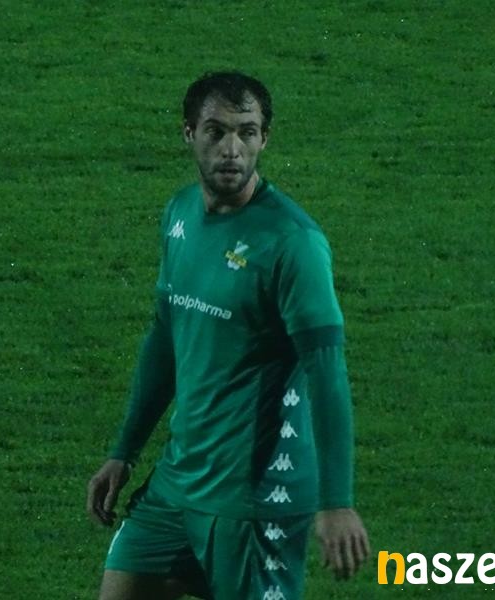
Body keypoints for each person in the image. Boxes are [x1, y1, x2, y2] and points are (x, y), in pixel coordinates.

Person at [87, 71, 369, 600]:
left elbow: (327, 373)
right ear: (188, 133)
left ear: (265, 139)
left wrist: (337, 501)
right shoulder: (179, 215)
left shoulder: (292, 243)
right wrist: (124, 451)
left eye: (247, 132)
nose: (232, 149)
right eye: (216, 132)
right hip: (177, 484)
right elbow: (165, 339)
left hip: (253, 498)